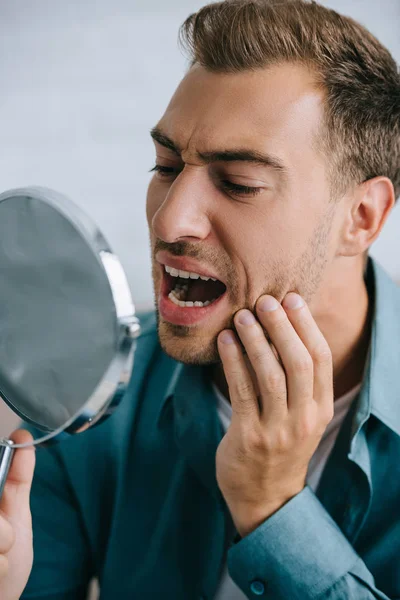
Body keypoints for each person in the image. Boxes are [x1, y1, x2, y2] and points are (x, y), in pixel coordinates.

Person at [1, 0, 399, 598]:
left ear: (362, 217)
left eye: (238, 183)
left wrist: (272, 507)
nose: (170, 219)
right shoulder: (81, 391)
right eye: (166, 165)